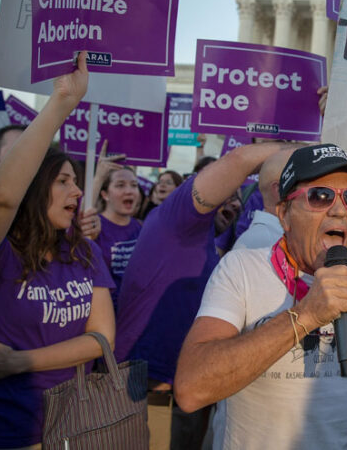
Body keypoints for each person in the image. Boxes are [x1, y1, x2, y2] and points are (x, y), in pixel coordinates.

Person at [174, 143, 347, 450]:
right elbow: (191, 390)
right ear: (284, 214)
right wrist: (306, 315)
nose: (339, 210)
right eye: (320, 196)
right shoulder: (242, 267)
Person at [0, 53, 115, 449]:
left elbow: (101, 339)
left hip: (74, 431)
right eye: (63, 181)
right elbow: (2, 199)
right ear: (34, 188)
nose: (77, 191)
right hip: (4, 435)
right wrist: (62, 102)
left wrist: (19, 361)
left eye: (76, 181)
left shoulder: (85, 254)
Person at [114, 140, 284, 450]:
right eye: (226, 195)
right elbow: (240, 159)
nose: (233, 204)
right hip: (149, 389)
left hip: (183, 391)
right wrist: (317, 149)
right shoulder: (176, 219)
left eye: (238, 200)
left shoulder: (211, 244)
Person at [94, 162, 143, 308]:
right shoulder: (94, 226)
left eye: (134, 185)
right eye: (120, 185)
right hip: (105, 312)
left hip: (134, 314)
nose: (129, 191)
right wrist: (97, 178)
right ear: (105, 194)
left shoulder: (141, 227)